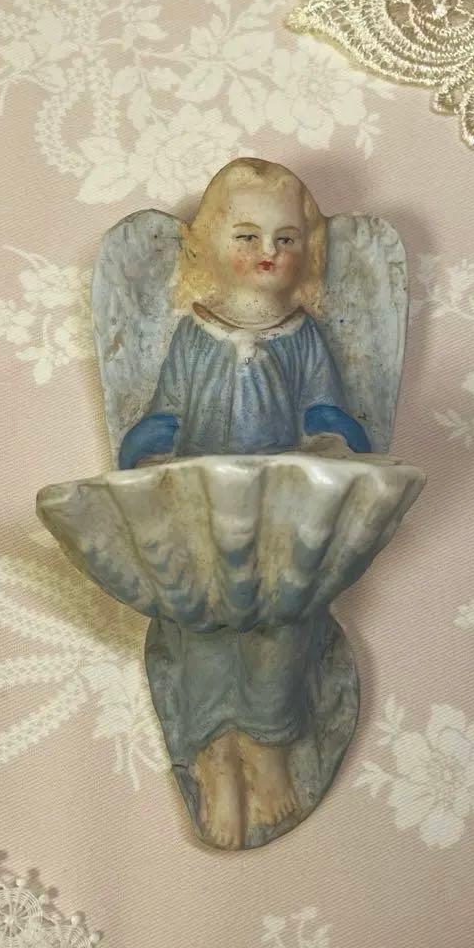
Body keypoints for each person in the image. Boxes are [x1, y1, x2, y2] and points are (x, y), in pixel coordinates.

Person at [121, 157, 369, 847]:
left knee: (279, 631)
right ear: (208, 243)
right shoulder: (194, 332)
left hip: (279, 516)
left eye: (285, 240)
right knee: (203, 629)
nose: (268, 253)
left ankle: (267, 748)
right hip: (202, 511)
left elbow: (326, 412)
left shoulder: (303, 335)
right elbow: (167, 411)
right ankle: (215, 760)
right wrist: (148, 447)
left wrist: (336, 438)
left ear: (306, 250)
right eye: (248, 237)